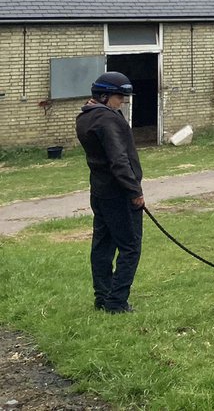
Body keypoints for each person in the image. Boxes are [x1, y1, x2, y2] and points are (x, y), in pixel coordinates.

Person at [76, 71, 144, 314]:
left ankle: (102, 296)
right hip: (119, 193)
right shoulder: (108, 120)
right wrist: (134, 190)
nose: (122, 102)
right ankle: (116, 302)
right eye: (119, 97)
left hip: (100, 190)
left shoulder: (85, 117)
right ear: (104, 96)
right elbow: (119, 160)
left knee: (102, 245)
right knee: (130, 246)